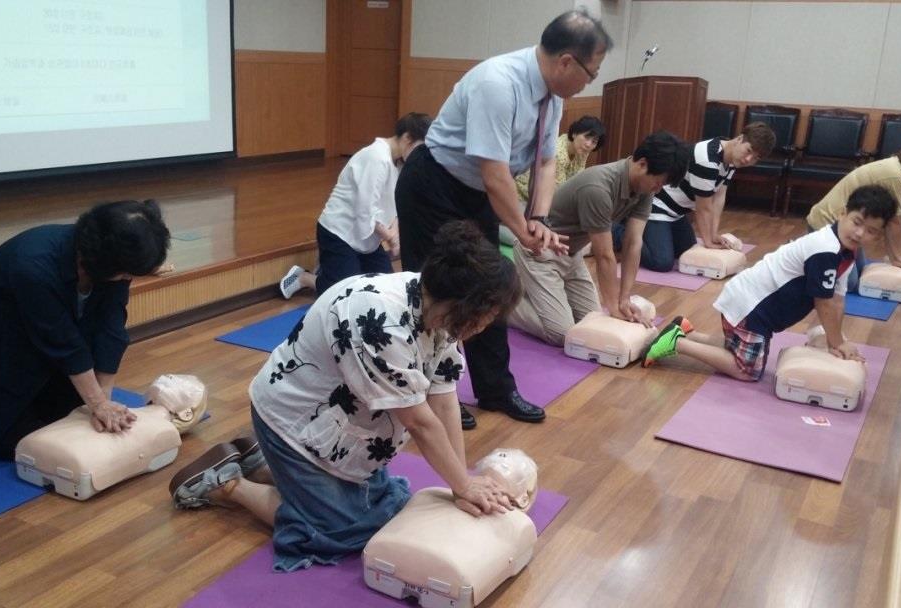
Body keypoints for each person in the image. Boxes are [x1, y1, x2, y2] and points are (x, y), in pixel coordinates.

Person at [169, 221, 521, 572]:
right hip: (292, 420)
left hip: (338, 430)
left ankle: (261, 464)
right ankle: (226, 484)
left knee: (386, 507)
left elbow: (443, 398)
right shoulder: (382, 317)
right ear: (461, 302)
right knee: (340, 530)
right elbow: (420, 422)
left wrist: (461, 482)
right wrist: (462, 485)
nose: (483, 327)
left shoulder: (437, 313)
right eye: (484, 316)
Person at [395, 8, 613, 429]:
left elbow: (547, 161)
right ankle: (429, 393)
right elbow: (495, 175)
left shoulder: (553, 95)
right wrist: (521, 231)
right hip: (433, 186)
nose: (591, 82)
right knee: (433, 292)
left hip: (476, 190)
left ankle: (495, 389)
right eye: (592, 73)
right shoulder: (498, 84)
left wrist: (541, 219)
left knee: (494, 286)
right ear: (566, 61)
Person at [0, 200, 172, 460]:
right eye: (127, 274)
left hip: (53, 337)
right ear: (105, 262)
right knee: (10, 443)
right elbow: (63, 342)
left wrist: (102, 401)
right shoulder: (33, 265)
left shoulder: (110, 260)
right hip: (5, 336)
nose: (129, 280)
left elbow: (111, 329)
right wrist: (98, 405)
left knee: (69, 419)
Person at [642, 185, 897, 381]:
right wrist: (837, 343)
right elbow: (825, 303)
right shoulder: (826, 250)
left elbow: (839, 298)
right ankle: (677, 343)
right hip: (752, 307)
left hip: (753, 305)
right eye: (857, 222)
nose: (860, 233)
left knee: (736, 348)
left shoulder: (845, 251)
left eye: (872, 231)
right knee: (747, 370)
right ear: (842, 213)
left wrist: (837, 340)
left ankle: (687, 331)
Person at [509, 131, 689, 345]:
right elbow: (604, 255)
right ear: (642, 164)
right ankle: (500, 302)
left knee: (589, 323)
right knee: (564, 335)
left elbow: (633, 244)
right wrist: (613, 307)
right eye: (658, 182)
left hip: (571, 255)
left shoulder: (645, 188)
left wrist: (624, 299)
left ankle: (537, 295)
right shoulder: (599, 187)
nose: (658, 189)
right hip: (540, 253)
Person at [280, 113, 432, 298]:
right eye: (420, 147)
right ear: (407, 138)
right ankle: (304, 277)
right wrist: (390, 237)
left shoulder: (401, 165)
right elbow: (364, 210)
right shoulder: (376, 157)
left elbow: (397, 204)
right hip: (339, 232)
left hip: (367, 238)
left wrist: (394, 233)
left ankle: (333, 267)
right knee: (344, 293)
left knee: (385, 290)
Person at [806, 134, 901, 291]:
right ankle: (805, 254)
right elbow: (894, 221)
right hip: (826, 224)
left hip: (847, 226)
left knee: (861, 274)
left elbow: (888, 219)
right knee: (850, 284)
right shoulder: (895, 174)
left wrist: (895, 256)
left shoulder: (897, 168)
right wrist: (898, 255)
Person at [628, 123, 776, 271]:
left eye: (755, 158)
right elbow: (703, 207)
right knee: (662, 262)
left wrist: (713, 234)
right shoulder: (707, 158)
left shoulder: (731, 159)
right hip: (656, 207)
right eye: (748, 151)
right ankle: (620, 231)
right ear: (739, 139)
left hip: (677, 214)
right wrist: (708, 241)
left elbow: (719, 198)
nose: (748, 160)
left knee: (685, 253)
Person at [501, 115, 607, 246]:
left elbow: (576, 182)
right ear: (574, 133)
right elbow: (558, 195)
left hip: (546, 201)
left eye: (594, 142)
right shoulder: (558, 152)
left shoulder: (581, 151)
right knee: (529, 240)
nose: (589, 144)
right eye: (586, 137)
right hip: (522, 196)